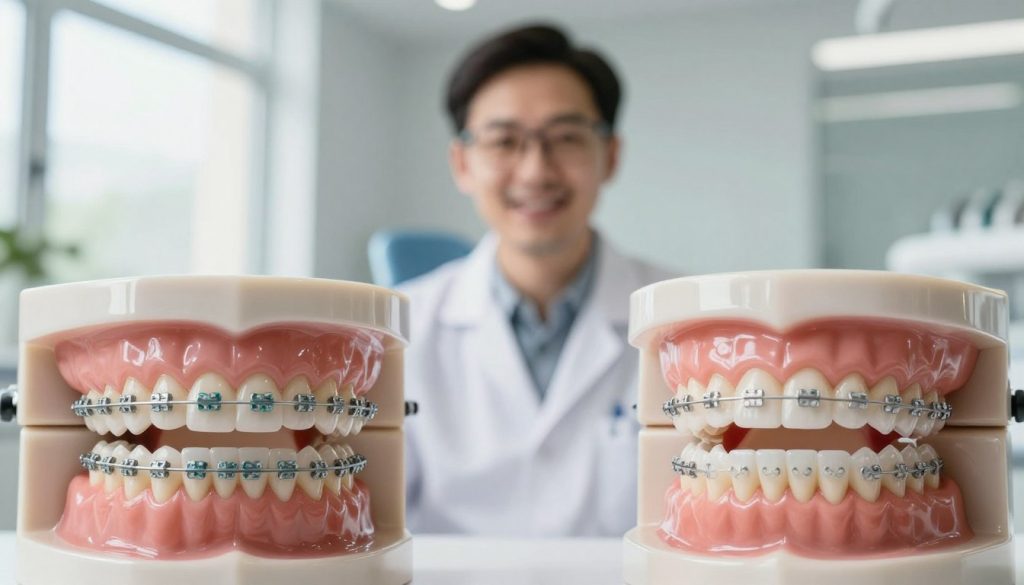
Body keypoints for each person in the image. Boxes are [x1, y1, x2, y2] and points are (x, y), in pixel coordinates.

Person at [400, 23, 673, 537]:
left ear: (610, 156)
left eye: (566, 138)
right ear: (462, 163)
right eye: (504, 141)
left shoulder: (686, 321)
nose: (534, 172)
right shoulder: (399, 329)